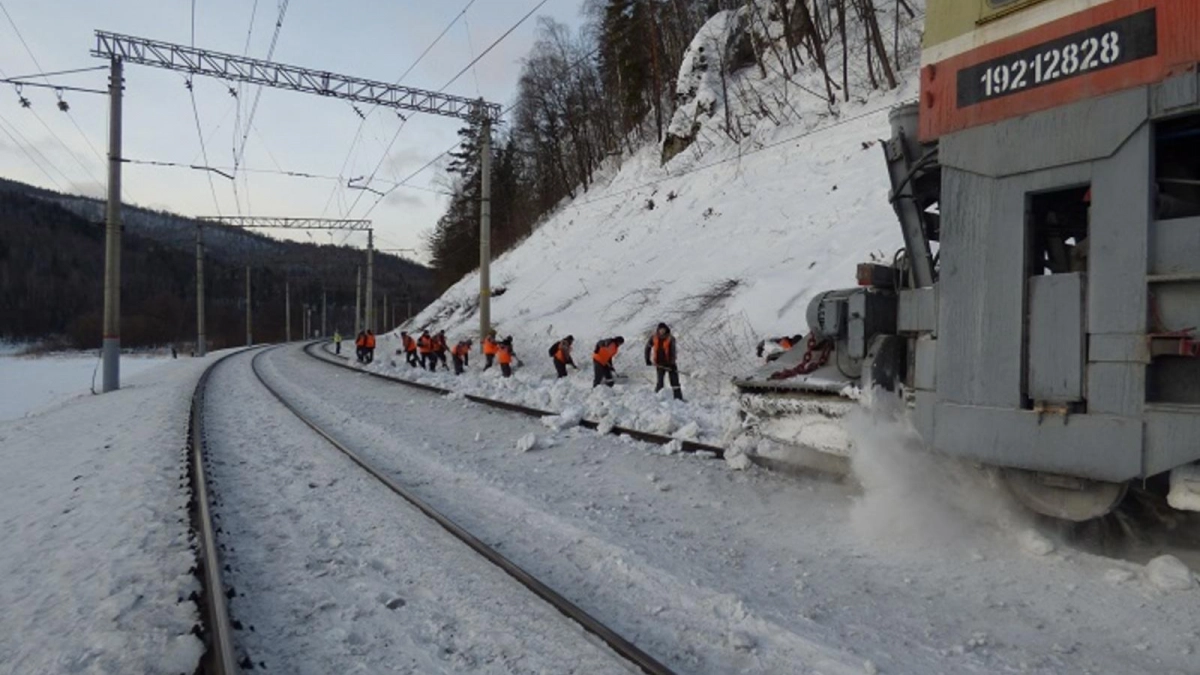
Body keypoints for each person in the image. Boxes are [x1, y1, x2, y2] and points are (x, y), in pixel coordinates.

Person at [645, 323, 683, 400]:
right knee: (660, 383)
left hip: (670, 364)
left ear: (666, 330)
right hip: (659, 364)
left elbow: (673, 351)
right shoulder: (653, 338)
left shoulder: (671, 338)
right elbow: (647, 348)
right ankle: (656, 398)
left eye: (663, 329)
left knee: (675, 382)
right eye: (660, 329)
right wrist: (647, 359)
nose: (662, 331)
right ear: (658, 330)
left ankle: (678, 398)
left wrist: (671, 364)